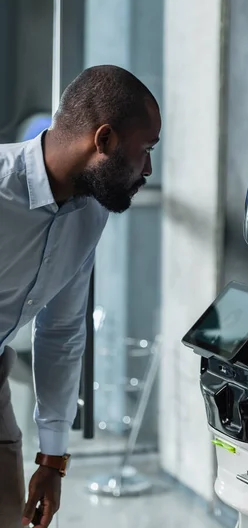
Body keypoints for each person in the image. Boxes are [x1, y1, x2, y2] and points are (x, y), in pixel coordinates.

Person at [0, 65, 161, 527]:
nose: (148, 169)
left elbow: (62, 330)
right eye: (145, 150)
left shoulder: (90, 211)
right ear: (104, 140)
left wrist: (53, 460)